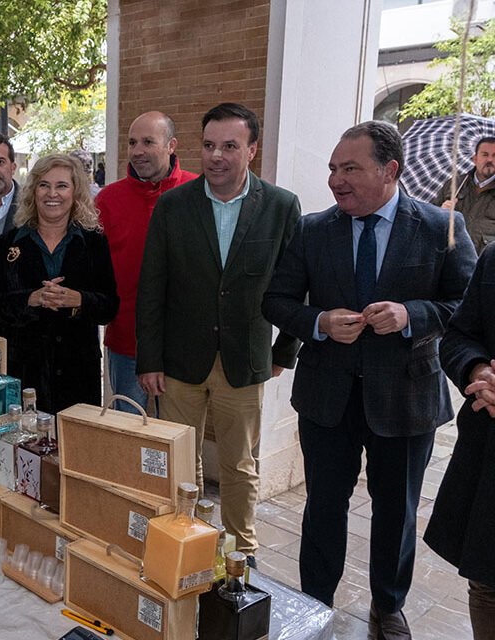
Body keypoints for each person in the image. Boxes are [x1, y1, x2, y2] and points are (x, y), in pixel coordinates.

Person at [262, 121, 476, 640]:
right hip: (327, 396)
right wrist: (318, 323)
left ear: (390, 170)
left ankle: (388, 606)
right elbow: (276, 300)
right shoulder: (312, 229)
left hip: (404, 396)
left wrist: (411, 315)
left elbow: (467, 308)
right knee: (323, 506)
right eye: (333, 168)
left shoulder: (440, 228)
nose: (336, 179)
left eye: (349, 168)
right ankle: (314, 603)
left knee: (396, 510)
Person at [135, 103, 301, 567]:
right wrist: (149, 360)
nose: (217, 156)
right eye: (209, 146)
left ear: (252, 150)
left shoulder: (281, 206)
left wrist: (284, 351)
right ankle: (188, 541)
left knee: (239, 465)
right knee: (181, 461)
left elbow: (297, 286)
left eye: (230, 146)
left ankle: (241, 552)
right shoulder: (173, 206)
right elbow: (152, 286)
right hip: (179, 362)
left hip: (245, 360)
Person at [0, 154, 119, 413]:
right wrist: (30, 300)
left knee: (75, 449)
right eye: (44, 185)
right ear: (33, 191)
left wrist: (79, 300)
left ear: (75, 192)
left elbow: (110, 306)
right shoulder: (9, 242)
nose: (52, 193)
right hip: (24, 374)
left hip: (78, 374)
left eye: (62, 186)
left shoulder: (93, 242)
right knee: (26, 449)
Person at [95, 111, 198, 414]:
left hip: (185, 348)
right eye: (132, 142)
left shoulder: (198, 193)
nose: (138, 151)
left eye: (148, 142)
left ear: (171, 145)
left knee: (181, 441)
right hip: (127, 345)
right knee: (129, 437)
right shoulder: (107, 200)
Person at [425, 245, 495, 640]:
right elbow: (459, 335)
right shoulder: (493, 258)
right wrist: (479, 369)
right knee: (486, 581)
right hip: (487, 453)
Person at [434, 136, 495, 255]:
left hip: (483, 266)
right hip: (449, 260)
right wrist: (439, 213)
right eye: (485, 154)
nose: (489, 160)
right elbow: (428, 220)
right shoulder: (454, 185)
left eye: (494, 156)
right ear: (475, 159)